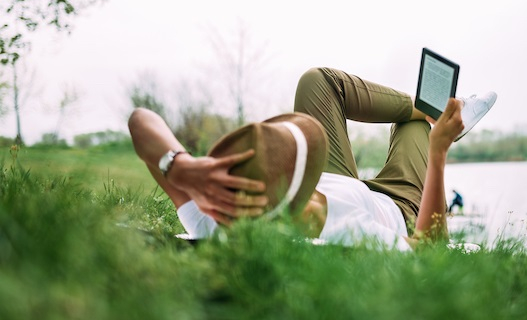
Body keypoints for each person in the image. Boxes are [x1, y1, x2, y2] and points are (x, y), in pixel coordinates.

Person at [128, 67, 496, 250]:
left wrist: (182, 168)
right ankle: (443, 117)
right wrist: (439, 151)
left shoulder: (219, 212)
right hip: (398, 205)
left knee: (317, 81)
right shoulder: (346, 231)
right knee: (412, 128)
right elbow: (431, 252)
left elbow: (140, 120)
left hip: (337, 181)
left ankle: (431, 112)